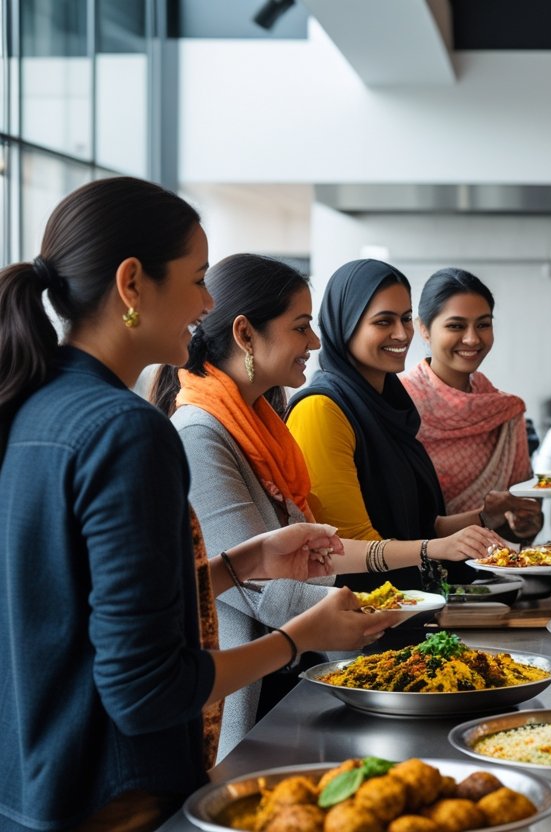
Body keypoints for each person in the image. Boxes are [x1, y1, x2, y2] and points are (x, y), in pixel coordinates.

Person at [0, 177, 392, 831]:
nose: (206, 303)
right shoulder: (125, 430)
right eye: (197, 277)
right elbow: (147, 689)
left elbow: (65, 615)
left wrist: (239, 565)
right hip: (111, 801)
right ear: (132, 284)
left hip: (32, 791)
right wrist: (300, 638)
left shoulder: (31, 405)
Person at [149, 254, 482, 759]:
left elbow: (315, 553)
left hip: (293, 672)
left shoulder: (261, 425)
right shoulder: (201, 434)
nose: (315, 342)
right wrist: (378, 610)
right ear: (245, 334)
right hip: (256, 692)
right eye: (301, 327)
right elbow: (265, 591)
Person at [286, 259, 523, 597]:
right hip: (359, 622)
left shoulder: (387, 407)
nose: (402, 334)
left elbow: (421, 527)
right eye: (383, 321)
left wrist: (485, 518)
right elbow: (345, 547)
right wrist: (433, 549)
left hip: (408, 611)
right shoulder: (321, 409)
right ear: (345, 325)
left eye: (405, 318)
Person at [401, 268, 541, 539]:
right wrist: (485, 516)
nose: (472, 338)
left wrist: (525, 524)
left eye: (483, 324)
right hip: (411, 571)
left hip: (493, 575)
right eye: (456, 326)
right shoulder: (399, 404)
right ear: (424, 329)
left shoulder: (504, 412)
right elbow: (399, 522)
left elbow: (519, 517)